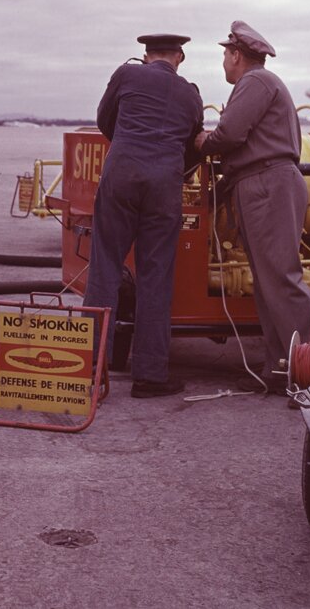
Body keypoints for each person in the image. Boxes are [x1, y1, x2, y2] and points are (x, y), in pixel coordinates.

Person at [195, 20, 310, 393]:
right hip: (262, 184)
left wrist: (203, 140)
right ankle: (282, 366)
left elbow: (230, 134)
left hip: (268, 185)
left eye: (225, 54)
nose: (223, 61)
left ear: (237, 55)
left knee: (281, 278)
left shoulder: (254, 82)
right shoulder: (258, 84)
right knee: (268, 284)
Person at [83, 33, 204, 399]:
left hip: (121, 176)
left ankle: (88, 368)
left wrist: (129, 147)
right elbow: (192, 144)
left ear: (146, 55)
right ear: (179, 57)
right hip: (164, 186)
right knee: (156, 276)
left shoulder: (126, 74)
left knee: (105, 266)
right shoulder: (191, 93)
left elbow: (105, 121)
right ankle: (150, 376)